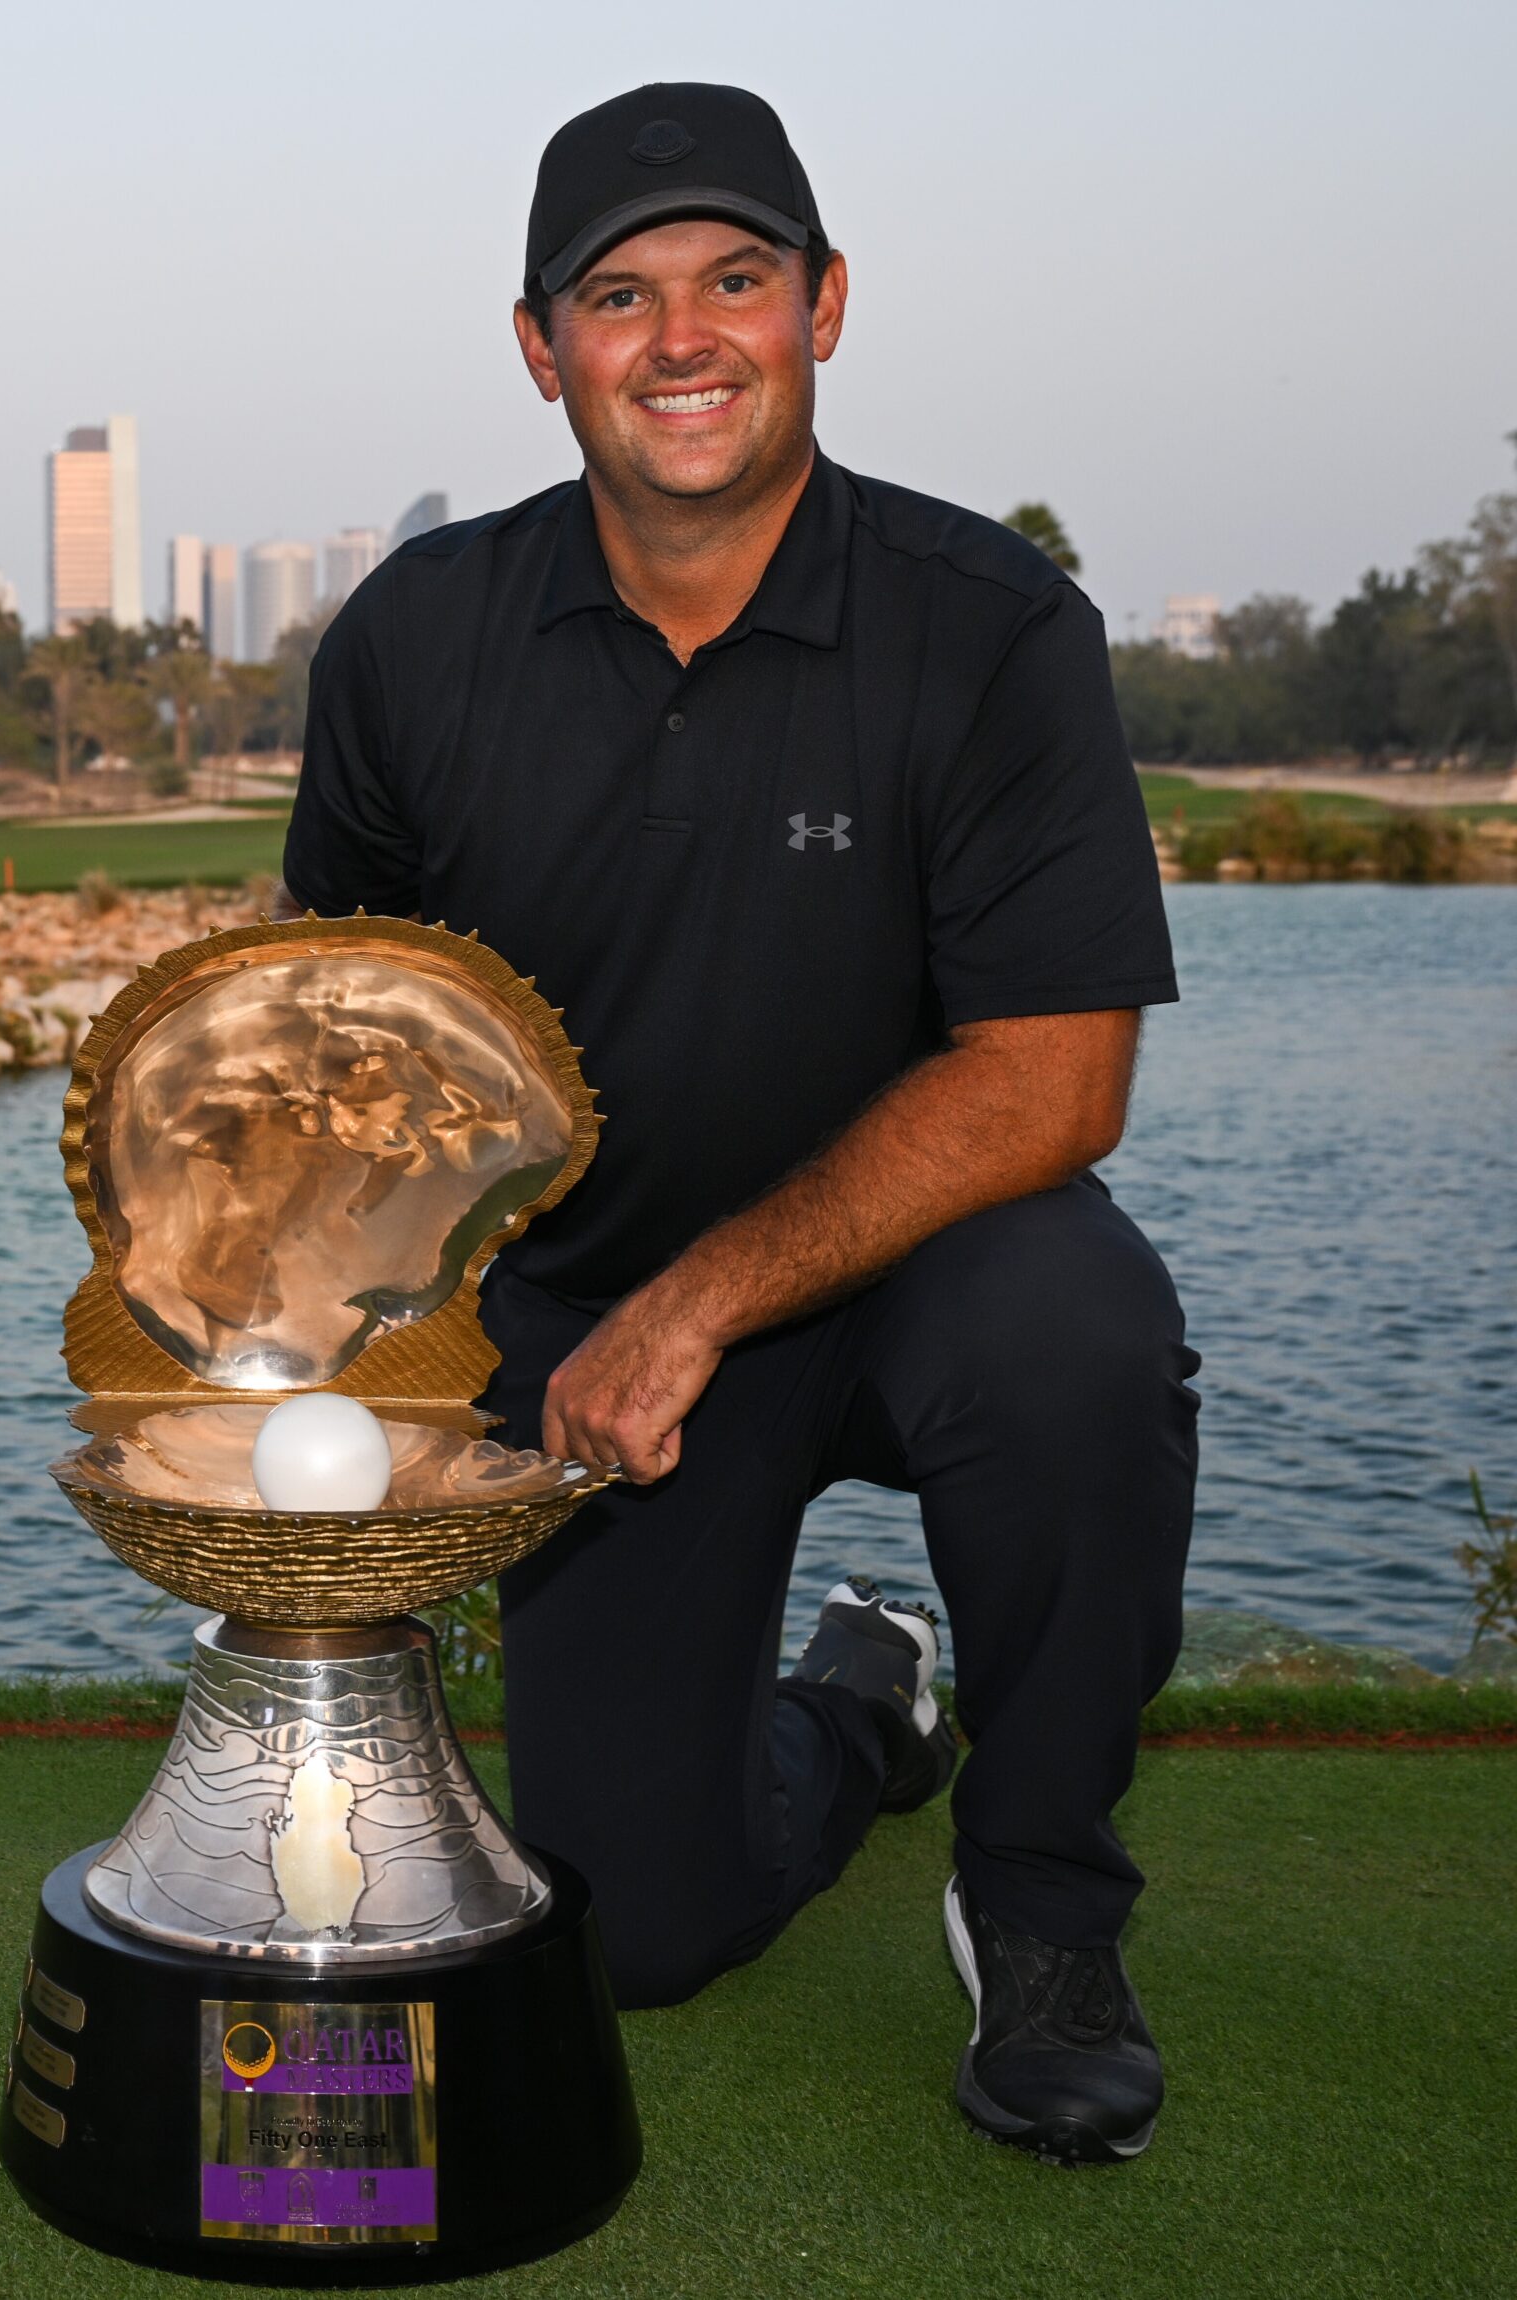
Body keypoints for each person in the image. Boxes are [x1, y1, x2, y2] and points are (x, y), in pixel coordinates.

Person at [282, 81, 1199, 2168]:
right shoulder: (416, 643)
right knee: (631, 1930)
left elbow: (1058, 1080)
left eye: (732, 280)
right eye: (617, 294)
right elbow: (350, 1050)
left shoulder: (988, 627)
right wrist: (334, 1362)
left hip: (915, 1281)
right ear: (539, 348)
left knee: (1079, 1337)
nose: (678, 336)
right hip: (579, 1324)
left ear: (823, 309)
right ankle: (857, 1705)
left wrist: (701, 1301)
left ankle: (1042, 1902)